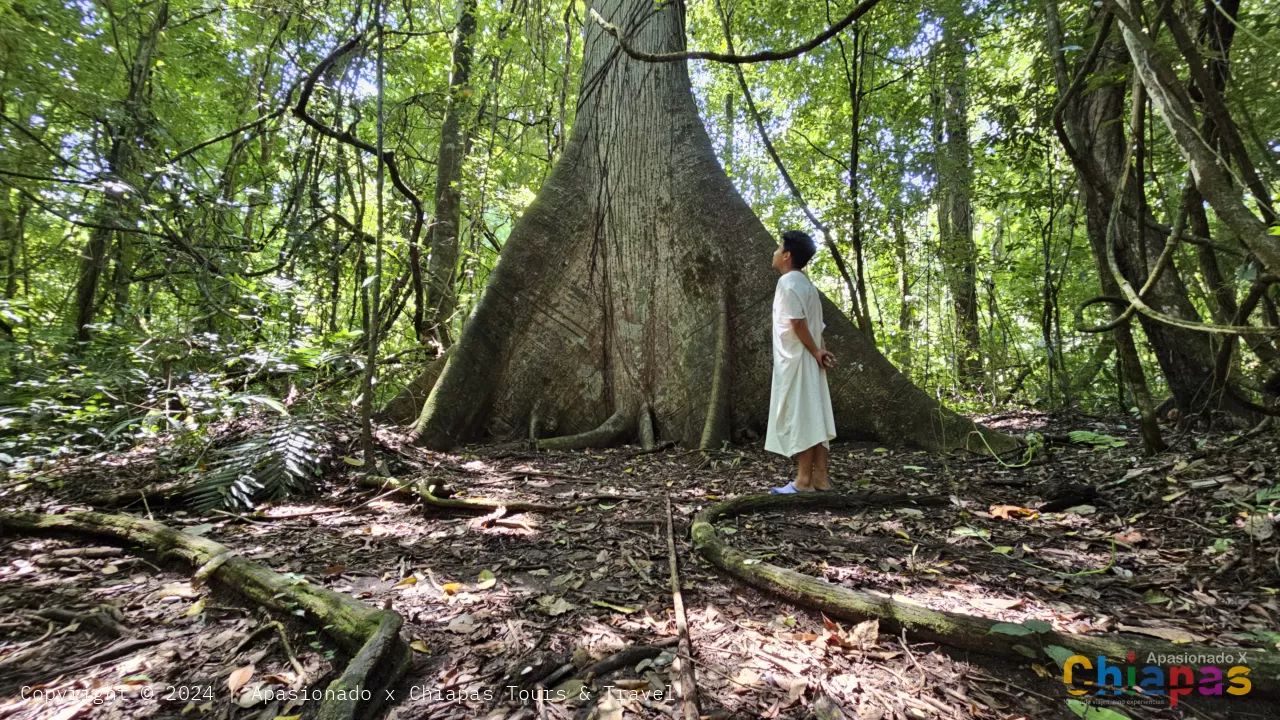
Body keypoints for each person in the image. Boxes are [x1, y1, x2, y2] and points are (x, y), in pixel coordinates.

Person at [766, 230, 837, 493]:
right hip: (809, 358)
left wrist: (816, 352)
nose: (774, 252)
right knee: (815, 415)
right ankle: (821, 479)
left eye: (778, 248)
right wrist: (820, 351)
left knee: (803, 416)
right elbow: (817, 324)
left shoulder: (788, 283)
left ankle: (804, 481)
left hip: (798, 360)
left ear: (786, 255)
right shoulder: (806, 283)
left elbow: (797, 322)